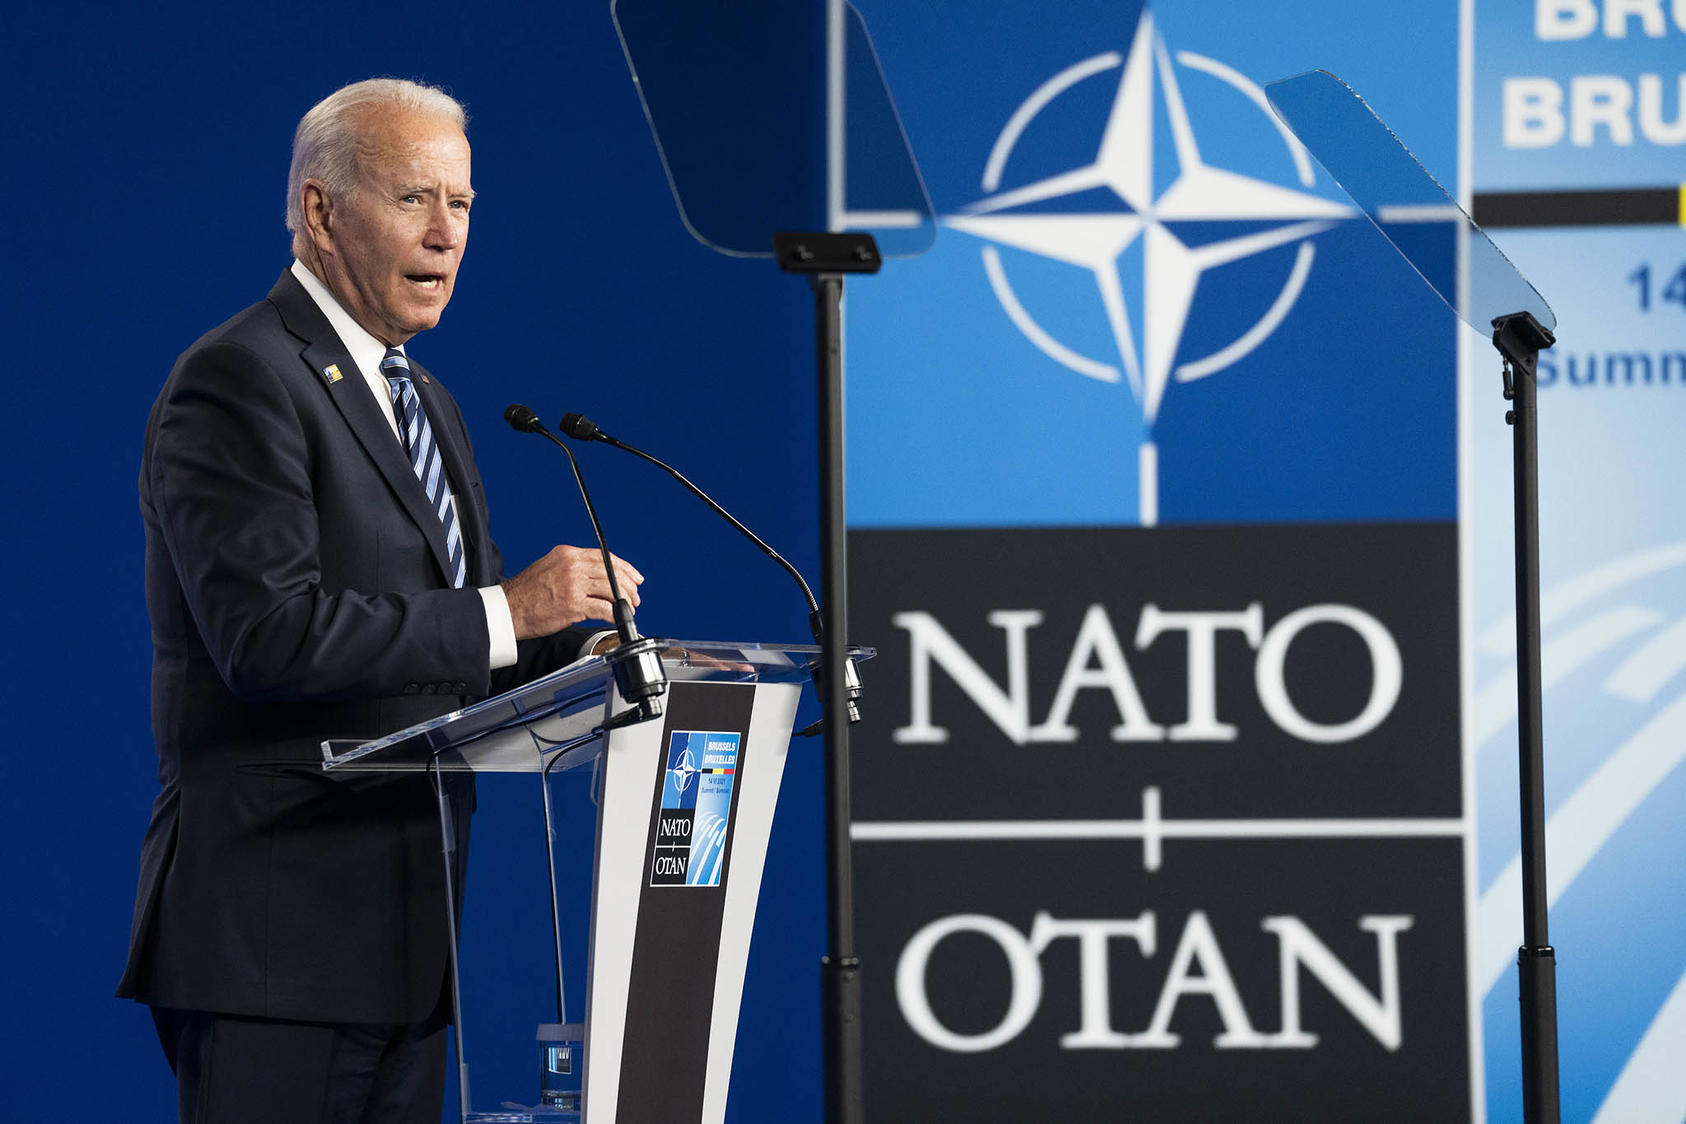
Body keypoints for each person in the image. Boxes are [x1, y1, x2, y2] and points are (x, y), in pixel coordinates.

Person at [116, 78, 640, 1122]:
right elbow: (266, 637)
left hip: (408, 944)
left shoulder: (425, 397)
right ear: (320, 210)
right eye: (414, 200)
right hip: (277, 949)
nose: (447, 234)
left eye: (464, 205)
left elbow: (456, 643)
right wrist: (512, 609)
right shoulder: (238, 378)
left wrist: (591, 662)